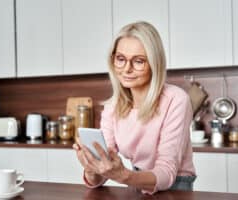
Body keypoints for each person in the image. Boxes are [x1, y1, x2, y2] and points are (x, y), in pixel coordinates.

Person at [73, 21, 196, 194]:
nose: (127, 69)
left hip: (176, 187)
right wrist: (92, 169)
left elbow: (167, 173)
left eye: (138, 61)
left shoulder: (176, 100)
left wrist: (124, 176)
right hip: (137, 180)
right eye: (121, 59)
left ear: (154, 64)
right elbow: (103, 170)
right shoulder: (113, 106)